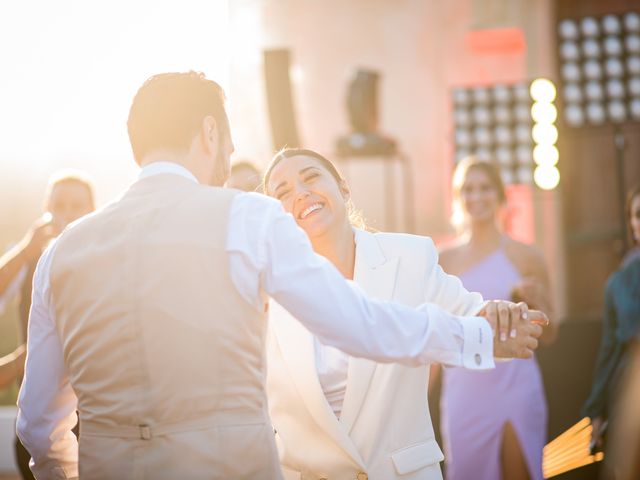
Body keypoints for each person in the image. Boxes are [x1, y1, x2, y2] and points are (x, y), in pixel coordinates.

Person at [15, 72, 543, 480]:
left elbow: (39, 424)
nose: (227, 161)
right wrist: (477, 336)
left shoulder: (62, 253)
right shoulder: (244, 219)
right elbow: (358, 325)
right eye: (225, 143)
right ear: (208, 131)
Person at [263, 148, 550, 480]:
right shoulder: (265, 293)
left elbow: (473, 315)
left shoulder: (411, 255)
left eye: (311, 177)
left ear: (343, 188)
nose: (300, 193)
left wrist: (501, 318)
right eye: (282, 192)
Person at [438, 157, 557, 480]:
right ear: (458, 198)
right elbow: (433, 332)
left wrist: (536, 301)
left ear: (500, 195)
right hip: (464, 389)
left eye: (485, 188)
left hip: (515, 383)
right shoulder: (442, 261)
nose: (477, 197)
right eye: (468, 189)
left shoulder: (527, 256)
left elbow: (550, 334)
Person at [0, 171, 94, 480]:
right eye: (59, 205)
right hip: (39, 426)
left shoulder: (101, 262)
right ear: (46, 209)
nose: (66, 214)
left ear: (93, 212)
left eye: (76, 206)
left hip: (92, 422)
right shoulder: (31, 263)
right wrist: (26, 250)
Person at [582, 185, 640, 466]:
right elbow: (609, 350)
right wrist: (596, 411)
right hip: (630, 395)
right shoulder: (619, 283)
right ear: (632, 224)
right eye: (638, 214)